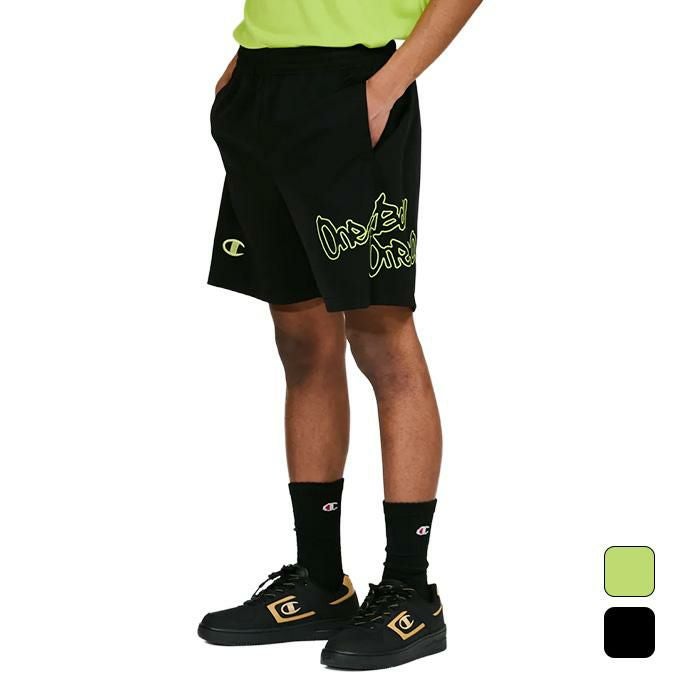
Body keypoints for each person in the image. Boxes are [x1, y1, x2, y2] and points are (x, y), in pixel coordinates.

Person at [198, 0, 483, 670]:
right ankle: (321, 582)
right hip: (262, 88)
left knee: (381, 335)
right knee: (300, 338)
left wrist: (387, 87)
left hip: (353, 87)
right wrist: (248, 63)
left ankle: (410, 591)